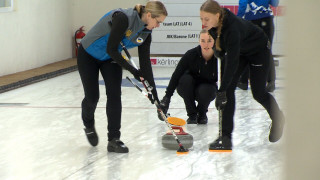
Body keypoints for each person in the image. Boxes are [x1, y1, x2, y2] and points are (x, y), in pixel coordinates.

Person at [77, 1, 167, 153]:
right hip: (88, 55)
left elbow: (146, 67)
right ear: (149, 15)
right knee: (92, 98)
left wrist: (156, 98)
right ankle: (88, 123)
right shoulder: (123, 18)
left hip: (110, 59)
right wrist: (133, 71)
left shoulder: (146, 33)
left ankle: (114, 139)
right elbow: (111, 49)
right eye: (158, 22)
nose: (158, 26)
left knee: (114, 94)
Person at [199, 0, 285, 150]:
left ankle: (278, 118)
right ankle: (225, 137)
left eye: (206, 19)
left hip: (259, 50)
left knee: (258, 93)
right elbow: (224, 56)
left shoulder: (232, 28)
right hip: (242, 51)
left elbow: (231, 64)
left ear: (217, 15)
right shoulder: (213, 26)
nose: (203, 22)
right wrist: (223, 90)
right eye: (201, 19)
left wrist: (221, 91)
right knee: (229, 90)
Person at [159, 29, 218, 124]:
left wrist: (223, 94)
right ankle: (192, 115)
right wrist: (167, 97)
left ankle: (202, 114)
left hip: (207, 89)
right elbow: (176, 75)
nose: (206, 44)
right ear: (199, 41)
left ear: (215, 41)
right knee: (185, 80)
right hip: (188, 87)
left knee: (207, 90)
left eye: (209, 41)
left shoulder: (219, 58)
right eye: (203, 41)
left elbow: (227, 77)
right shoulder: (191, 55)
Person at [236, 0, 279, 92]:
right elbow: (275, 3)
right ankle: (271, 81)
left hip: (251, 21)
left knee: (247, 51)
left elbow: (243, 5)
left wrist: (237, 20)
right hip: (267, 20)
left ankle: (243, 81)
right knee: (267, 50)